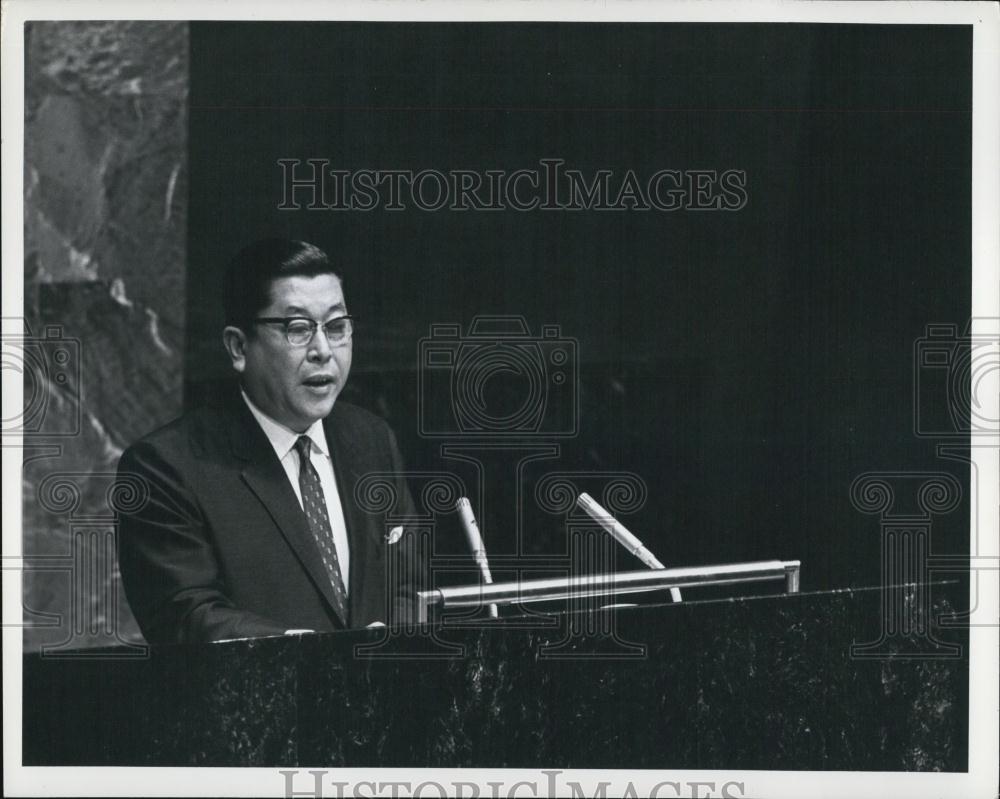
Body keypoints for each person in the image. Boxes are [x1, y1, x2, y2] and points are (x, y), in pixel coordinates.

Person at [116, 239, 423, 644]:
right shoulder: (167, 467)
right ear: (239, 347)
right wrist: (321, 660)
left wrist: (389, 641)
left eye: (336, 327)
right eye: (298, 329)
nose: (323, 351)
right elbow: (187, 616)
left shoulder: (370, 441)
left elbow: (408, 590)